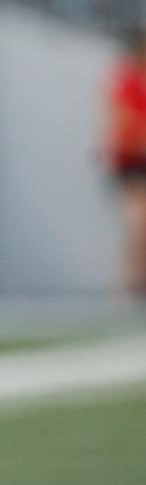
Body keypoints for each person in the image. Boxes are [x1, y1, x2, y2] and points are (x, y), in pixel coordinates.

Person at [105, 27, 146, 299]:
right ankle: (132, 281)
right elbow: (121, 120)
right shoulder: (127, 79)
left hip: (136, 156)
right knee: (137, 219)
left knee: (138, 220)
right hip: (132, 159)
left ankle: (133, 279)